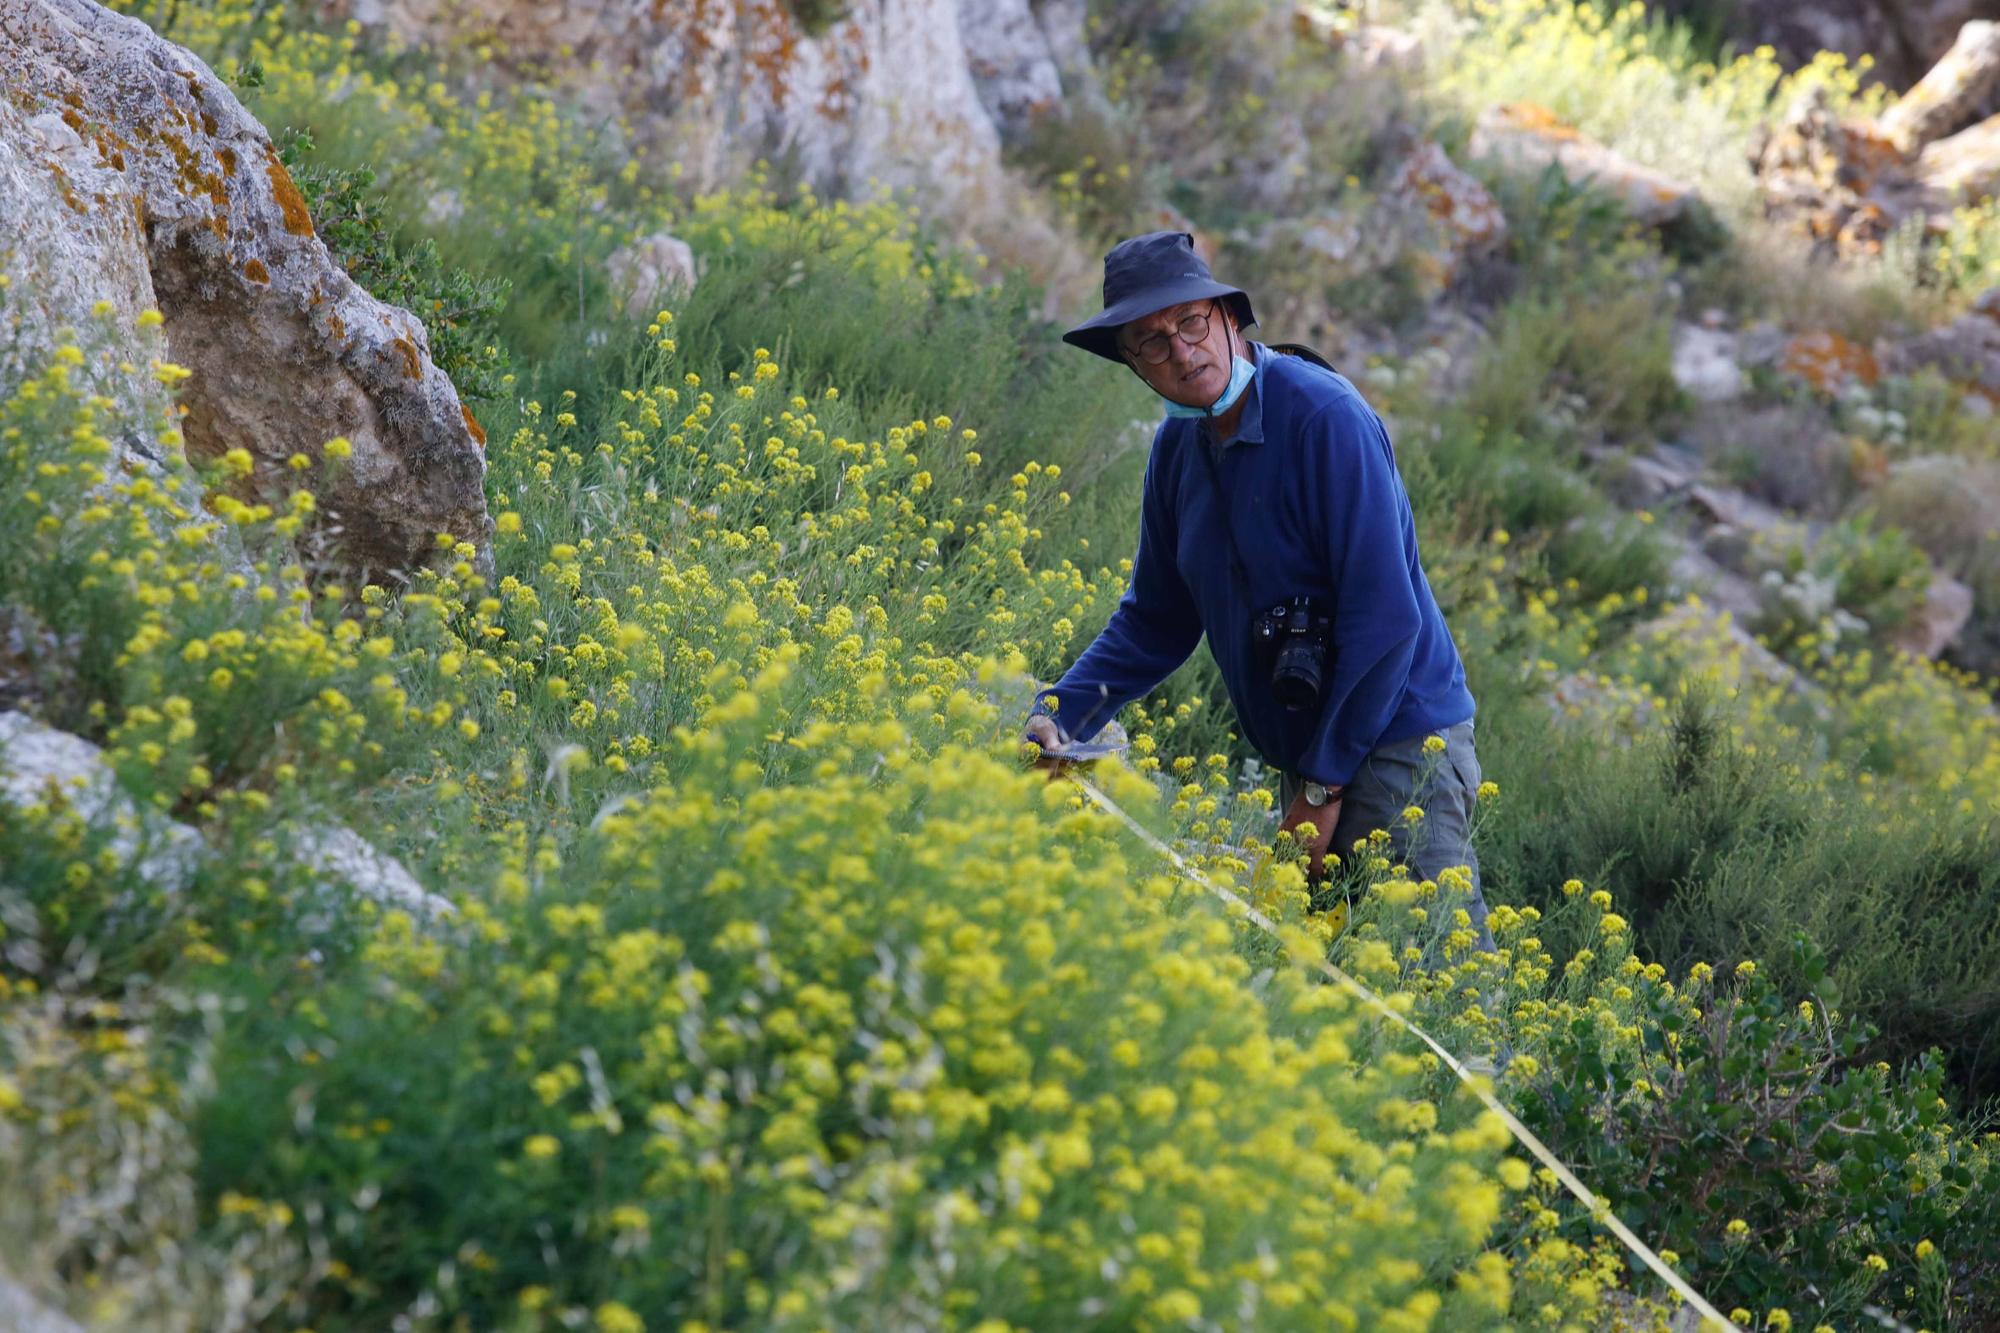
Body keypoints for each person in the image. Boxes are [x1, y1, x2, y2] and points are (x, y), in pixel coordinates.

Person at [1023, 230, 1493, 949]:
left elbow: (1386, 619)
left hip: (1402, 741)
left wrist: (1318, 790)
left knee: (1431, 976)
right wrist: (1061, 714)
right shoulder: (1177, 451)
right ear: (1133, 364)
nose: (1181, 351)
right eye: (1151, 342)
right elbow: (1155, 618)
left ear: (1229, 318)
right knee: (1326, 981)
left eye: (1190, 323)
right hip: (1313, 756)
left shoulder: (1324, 418)